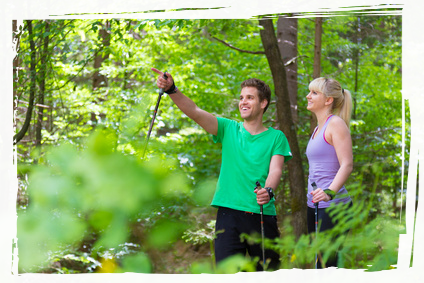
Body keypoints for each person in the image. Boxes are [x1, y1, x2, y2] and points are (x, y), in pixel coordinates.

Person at [151, 68, 292, 275]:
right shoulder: (228, 129)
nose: (243, 101)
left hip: (262, 215)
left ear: (263, 103)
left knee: (268, 277)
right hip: (228, 215)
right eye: (241, 97)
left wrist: (268, 190)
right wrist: (172, 89)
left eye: (250, 98)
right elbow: (195, 112)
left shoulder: (276, 137)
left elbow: (276, 170)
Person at [306, 77, 354, 276]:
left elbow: (347, 164)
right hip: (315, 205)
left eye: (314, 93)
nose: (308, 96)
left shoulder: (336, 124)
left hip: (334, 208)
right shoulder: (318, 128)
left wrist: (329, 192)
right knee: (324, 266)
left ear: (328, 100)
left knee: (327, 268)